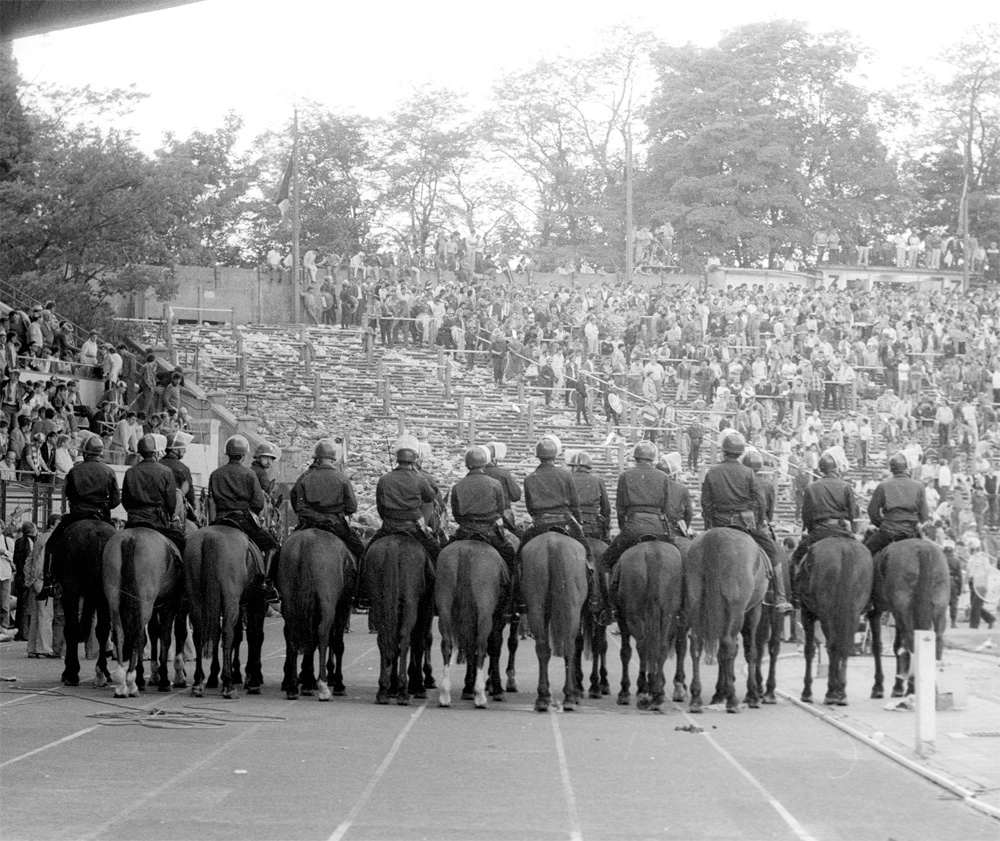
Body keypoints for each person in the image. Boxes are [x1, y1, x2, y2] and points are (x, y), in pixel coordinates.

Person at [701, 431, 792, 612]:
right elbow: (761, 501)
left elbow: (706, 503)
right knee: (772, 553)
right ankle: (780, 596)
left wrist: (709, 525)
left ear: (723, 452)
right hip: (745, 524)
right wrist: (758, 521)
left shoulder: (712, 472)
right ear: (740, 453)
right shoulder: (748, 472)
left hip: (719, 522)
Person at [597, 441, 673, 623]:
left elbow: (620, 508)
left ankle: (610, 608)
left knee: (603, 563)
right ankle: (681, 608)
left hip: (633, 527)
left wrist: (625, 528)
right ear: (652, 458)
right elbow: (668, 508)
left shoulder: (625, 476)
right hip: (658, 529)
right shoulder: (663, 476)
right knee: (682, 562)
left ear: (636, 457)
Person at [40, 436, 120, 598]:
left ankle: (49, 581)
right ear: (100, 453)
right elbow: (116, 500)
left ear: (85, 453)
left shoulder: (74, 471)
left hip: (77, 516)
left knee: (51, 543)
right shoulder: (109, 471)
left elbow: (68, 493)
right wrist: (103, 507)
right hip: (101, 516)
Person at [517, 436, 594, 587]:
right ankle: (594, 595)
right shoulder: (565, 474)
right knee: (588, 554)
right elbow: (575, 503)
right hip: (564, 521)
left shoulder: (530, 478)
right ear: (554, 456)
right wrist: (578, 522)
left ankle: (517, 600)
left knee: (518, 559)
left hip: (539, 524)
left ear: (538, 456)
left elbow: (530, 507)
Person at [208, 435, 279, 595]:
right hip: (242, 520)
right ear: (244, 454)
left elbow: (211, 500)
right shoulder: (249, 474)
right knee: (272, 545)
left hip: (220, 520)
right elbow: (258, 503)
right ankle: (266, 583)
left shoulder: (215, 474)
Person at [787, 451, 859, 595]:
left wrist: (810, 529)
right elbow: (853, 514)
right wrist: (852, 530)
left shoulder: (812, 487)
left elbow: (806, 515)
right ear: (836, 469)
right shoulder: (846, 486)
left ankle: (794, 596)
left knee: (795, 558)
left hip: (819, 531)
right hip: (842, 530)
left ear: (820, 469)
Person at [366, 434, 441, 569]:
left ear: (397, 459)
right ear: (415, 460)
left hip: (389, 527)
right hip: (413, 528)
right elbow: (430, 498)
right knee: (437, 554)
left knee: (364, 554)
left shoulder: (384, 479)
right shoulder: (420, 479)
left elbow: (380, 508)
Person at [289, 438, 366, 564]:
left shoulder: (305, 478)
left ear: (317, 458)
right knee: (360, 551)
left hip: (309, 523)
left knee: (286, 548)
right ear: (333, 459)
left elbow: (298, 505)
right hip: (336, 524)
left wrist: (315, 516)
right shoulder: (342, 478)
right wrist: (336, 514)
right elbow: (352, 507)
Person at [449, 445, 516, 572]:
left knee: (443, 552)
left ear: (467, 464)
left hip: (465, 531)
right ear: (484, 463)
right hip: (489, 531)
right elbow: (500, 511)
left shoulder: (458, 486)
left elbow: (456, 515)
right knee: (509, 553)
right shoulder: (495, 484)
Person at [121, 433, 186, 555]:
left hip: (133, 520)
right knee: (180, 541)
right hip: (156, 521)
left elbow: (125, 500)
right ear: (156, 452)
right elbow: (171, 502)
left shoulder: (130, 472)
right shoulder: (166, 472)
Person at [862, 452, 929, 558]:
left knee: (864, 556)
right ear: (907, 469)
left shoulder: (882, 486)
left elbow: (872, 512)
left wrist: (882, 524)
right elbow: (924, 514)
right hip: (911, 531)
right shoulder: (919, 486)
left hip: (888, 531)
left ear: (891, 469)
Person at [568, 450, 610, 541]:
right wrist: (606, 527)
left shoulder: (568, 479)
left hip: (573, 526)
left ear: (576, 467)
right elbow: (606, 508)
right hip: (593, 527)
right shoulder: (598, 480)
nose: (571, 469)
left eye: (572, 467)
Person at [483, 441, 522, 538]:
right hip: (502, 517)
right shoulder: (503, 473)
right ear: (495, 459)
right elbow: (516, 496)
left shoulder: (470, 476)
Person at [161, 431, 197, 525]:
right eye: (182, 448)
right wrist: (194, 509)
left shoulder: (157, 464)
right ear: (175, 450)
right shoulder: (183, 468)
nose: (185, 451)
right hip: (176, 511)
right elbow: (190, 495)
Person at [655, 451, 693, 538]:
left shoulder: (650, 487)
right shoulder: (682, 489)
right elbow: (689, 514)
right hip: (673, 529)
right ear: (673, 474)